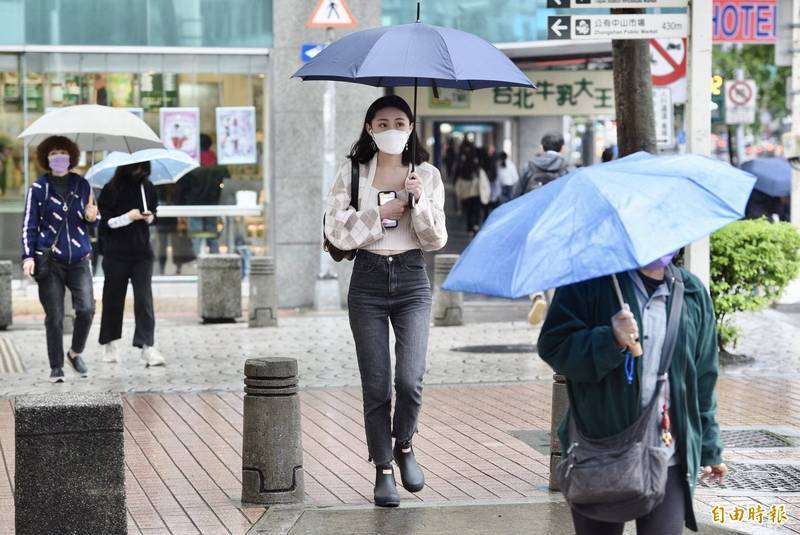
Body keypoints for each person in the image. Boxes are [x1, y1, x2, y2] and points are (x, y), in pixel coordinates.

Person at [537, 253, 727, 535]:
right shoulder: (590, 282)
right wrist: (609, 339)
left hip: (668, 453)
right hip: (601, 450)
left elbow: (702, 377)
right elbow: (553, 346)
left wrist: (709, 447)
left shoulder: (691, 291)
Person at [324, 94, 447, 508]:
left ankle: (405, 445)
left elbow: (435, 240)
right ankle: (382, 468)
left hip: (413, 279)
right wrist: (382, 212)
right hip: (368, 281)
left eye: (399, 122)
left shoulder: (426, 174)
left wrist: (419, 201)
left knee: (410, 380)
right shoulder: (353, 173)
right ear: (369, 129)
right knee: (376, 384)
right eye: (382, 123)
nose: (391, 129)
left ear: (411, 129)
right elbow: (337, 233)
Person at [21, 136, 97, 383]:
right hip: (50, 260)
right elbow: (29, 225)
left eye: (63, 152)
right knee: (54, 316)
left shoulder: (83, 185)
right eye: (54, 153)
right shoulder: (38, 188)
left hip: (79, 258)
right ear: (46, 157)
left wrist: (92, 216)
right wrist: (27, 257)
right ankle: (56, 366)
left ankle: (74, 353)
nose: (59, 157)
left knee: (86, 309)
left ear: (71, 157)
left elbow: (93, 219)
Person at [97, 161, 165, 367]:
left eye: (144, 169)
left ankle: (147, 346)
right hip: (115, 253)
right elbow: (104, 223)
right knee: (113, 299)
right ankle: (109, 342)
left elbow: (154, 214)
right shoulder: (111, 189)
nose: (140, 173)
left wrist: (149, 218)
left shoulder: (148, 187)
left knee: (144, 299)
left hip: (142, 253)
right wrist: (127, 217)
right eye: (136, 169)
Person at [514, 132, 573, 198]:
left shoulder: (529, 166)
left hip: (533, 206)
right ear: (562, 148)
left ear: (541, 147)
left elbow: (517, 193)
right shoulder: (568, 169)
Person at [455, 149, 486, 236]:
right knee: (476, 210)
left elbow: (459, 179)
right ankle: (476, 225)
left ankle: (469, 228)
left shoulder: (464, 166)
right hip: (476, 192)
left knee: (468, 211)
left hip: (467, 193)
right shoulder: (477, 166)